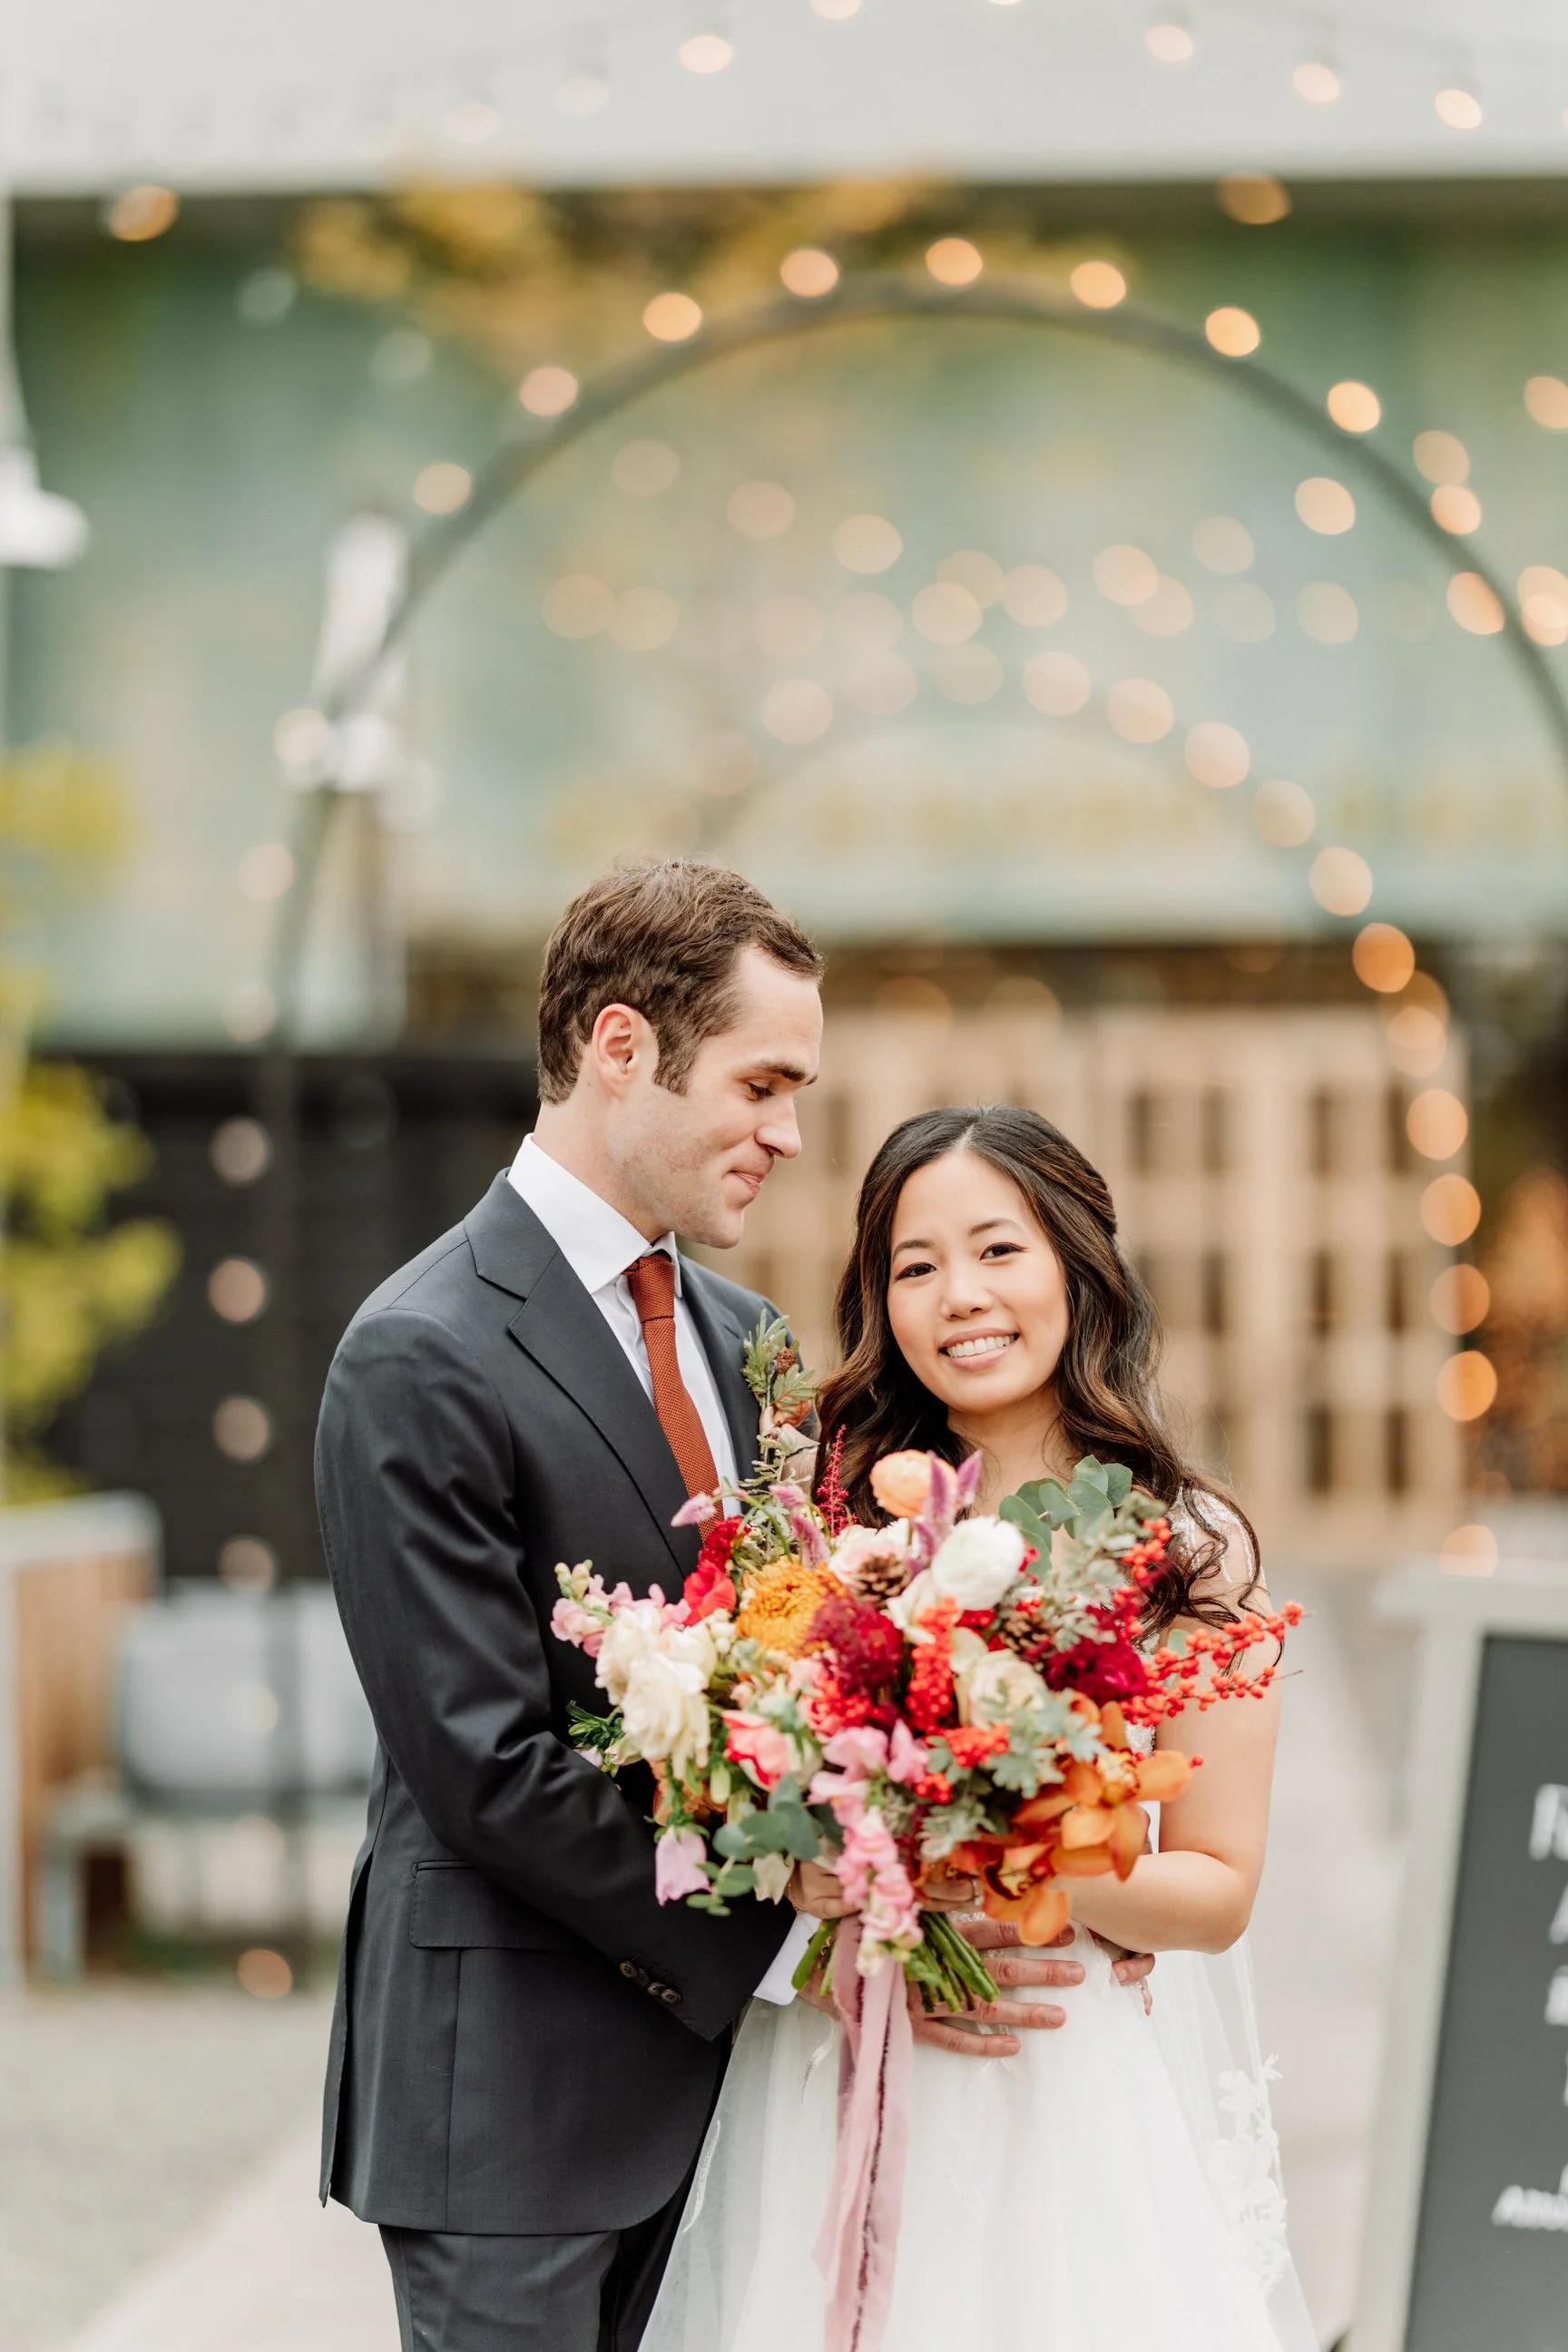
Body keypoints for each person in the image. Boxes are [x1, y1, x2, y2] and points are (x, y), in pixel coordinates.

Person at [315, 865, 1122, 2352]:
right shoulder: (416, 1353)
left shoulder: (746, 1338)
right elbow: (480, 1764)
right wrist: (791, 1935)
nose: (788, 1134)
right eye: (762, 1083)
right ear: (622, 1048)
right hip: (510, 2109)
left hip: (737, 2107)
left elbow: (795, 1666)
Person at [643, 1104, 1318, 2352]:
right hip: (842, 2072)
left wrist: (1007, 1851)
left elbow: (1217, 1885)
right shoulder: (822, 1529)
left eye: (999, 1251)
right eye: (916, 1266)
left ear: (1078, 1263)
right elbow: (763, 1799)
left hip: (1064, 2083)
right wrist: (835, 1875)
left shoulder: (1186, 1548)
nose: (961, 1295)